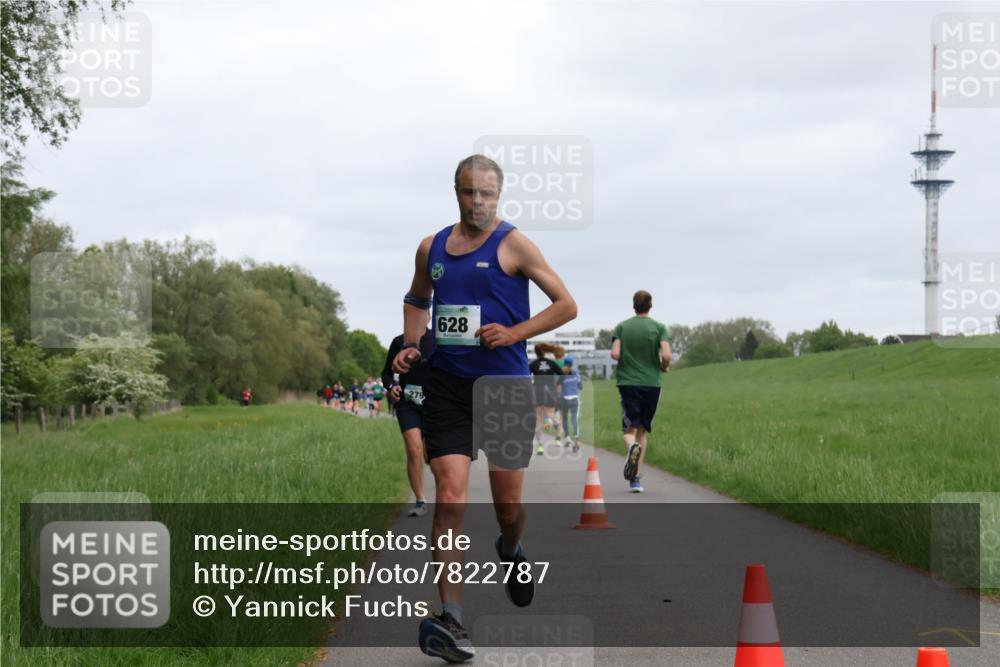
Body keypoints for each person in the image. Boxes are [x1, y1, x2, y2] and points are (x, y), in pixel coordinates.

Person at [393, 154, 576, 663]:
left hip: (504, 388)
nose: (478, 202)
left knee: (508, 510)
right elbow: (417, 299)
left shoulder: (514, 244)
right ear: (456, 191)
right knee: (450, 499)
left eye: (487, 194)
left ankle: (510, 549)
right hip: (448, 387)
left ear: (500, 196)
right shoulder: (431, 247)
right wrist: (412, 344)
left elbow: (566, 304)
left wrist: (515, 333)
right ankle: (451, 618)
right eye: (470, 192)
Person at [611, 290, 672, 493]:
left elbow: (615, 353)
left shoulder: (622, 327)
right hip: (652, 383)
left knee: (630, 430)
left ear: (634, 306)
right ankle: (636, 479)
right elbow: (666, 354)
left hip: (628, 383)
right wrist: (663, 366)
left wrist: (627, 359)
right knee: (642, 431)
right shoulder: (659, 328)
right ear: (650, 306)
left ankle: (631, 448)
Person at [382, 327, 435, 517]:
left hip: (434, 402)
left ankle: (446, 492)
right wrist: (392, 386)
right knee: (414, 449)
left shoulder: (437, 339)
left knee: (430, 455)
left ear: (428, 316)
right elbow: (386, 374)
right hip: (408, 403)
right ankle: (420, 500)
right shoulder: (399, 342)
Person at [528, 343, 561, 455]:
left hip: (537, 393)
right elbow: (562, 374)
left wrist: (531, 385)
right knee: (551, 415)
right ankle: (556, 428)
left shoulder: (533, 364)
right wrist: (557, 385)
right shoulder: (551, 363)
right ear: (545, 351)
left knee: (538, 420)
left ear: (536, 352)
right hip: (550, 392)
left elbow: (525, 377)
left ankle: (540, 446)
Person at [556, 359, 582, 452]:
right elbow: (581, 387)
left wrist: (559, 396)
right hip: (574, 399)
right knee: (574, 419)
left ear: (564, 364)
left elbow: (557, 386)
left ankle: (568, 439)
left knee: (565, 419)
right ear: (572, 364)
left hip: (564, 400)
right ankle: (577, 439)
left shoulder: (562, 374)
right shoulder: (576, 374)